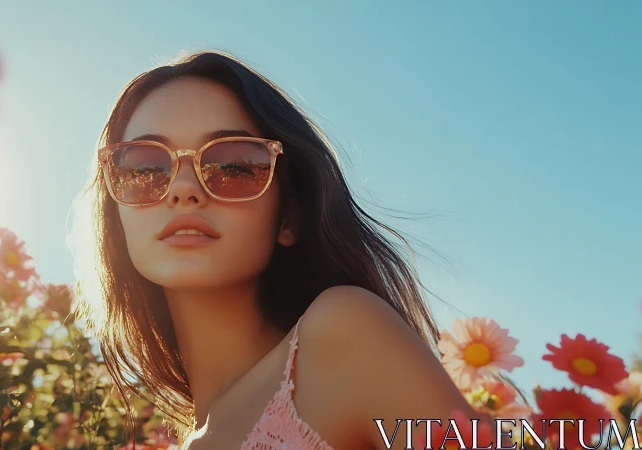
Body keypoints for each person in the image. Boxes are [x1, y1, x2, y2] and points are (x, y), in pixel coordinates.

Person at [70, 50, 486, 449]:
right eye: (143, 167)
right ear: (116, 214)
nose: (183, 189)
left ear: (288, 216)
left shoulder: (342, 336)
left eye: (234, 165)